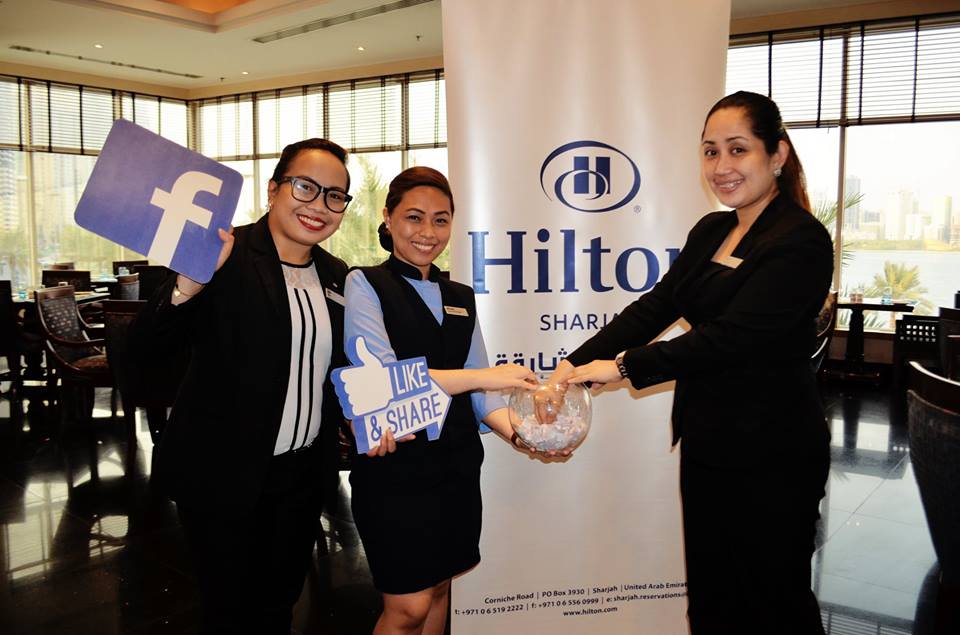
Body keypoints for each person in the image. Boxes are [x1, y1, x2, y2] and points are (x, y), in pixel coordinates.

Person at [548, 91, 833, 634]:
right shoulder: (712, 230)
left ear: (777, 154)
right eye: (710, 151)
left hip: (773, 450)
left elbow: (732, 338)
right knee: (711, 596)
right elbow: (656, 306)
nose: (722, 166)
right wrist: (574, 364)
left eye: (738, 149)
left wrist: (624, 367)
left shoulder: (800, 240)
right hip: (708, 439)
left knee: (773, 600)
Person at [132, 138, 353, 634]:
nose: (319, 205)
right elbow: (144, 353)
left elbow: (336, 371)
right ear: (273, 190)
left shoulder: (336, 275)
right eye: (305, 187)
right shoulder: (222, 252)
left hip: (300, 478)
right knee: (228, 612)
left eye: (335, 195)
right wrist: (189, 286)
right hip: (223, 475)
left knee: (279, 606)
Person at [341, 166, 538, 635]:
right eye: (414, 217)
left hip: (455, 465)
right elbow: (386, 381)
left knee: (439, 591)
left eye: (441, 219)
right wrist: (484, 376)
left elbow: (483, 397)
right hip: (396, 466)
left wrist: (524, 435)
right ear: (388, 218)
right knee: (407, 608)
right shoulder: (365, 284)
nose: (427, 232)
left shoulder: (460, 296)